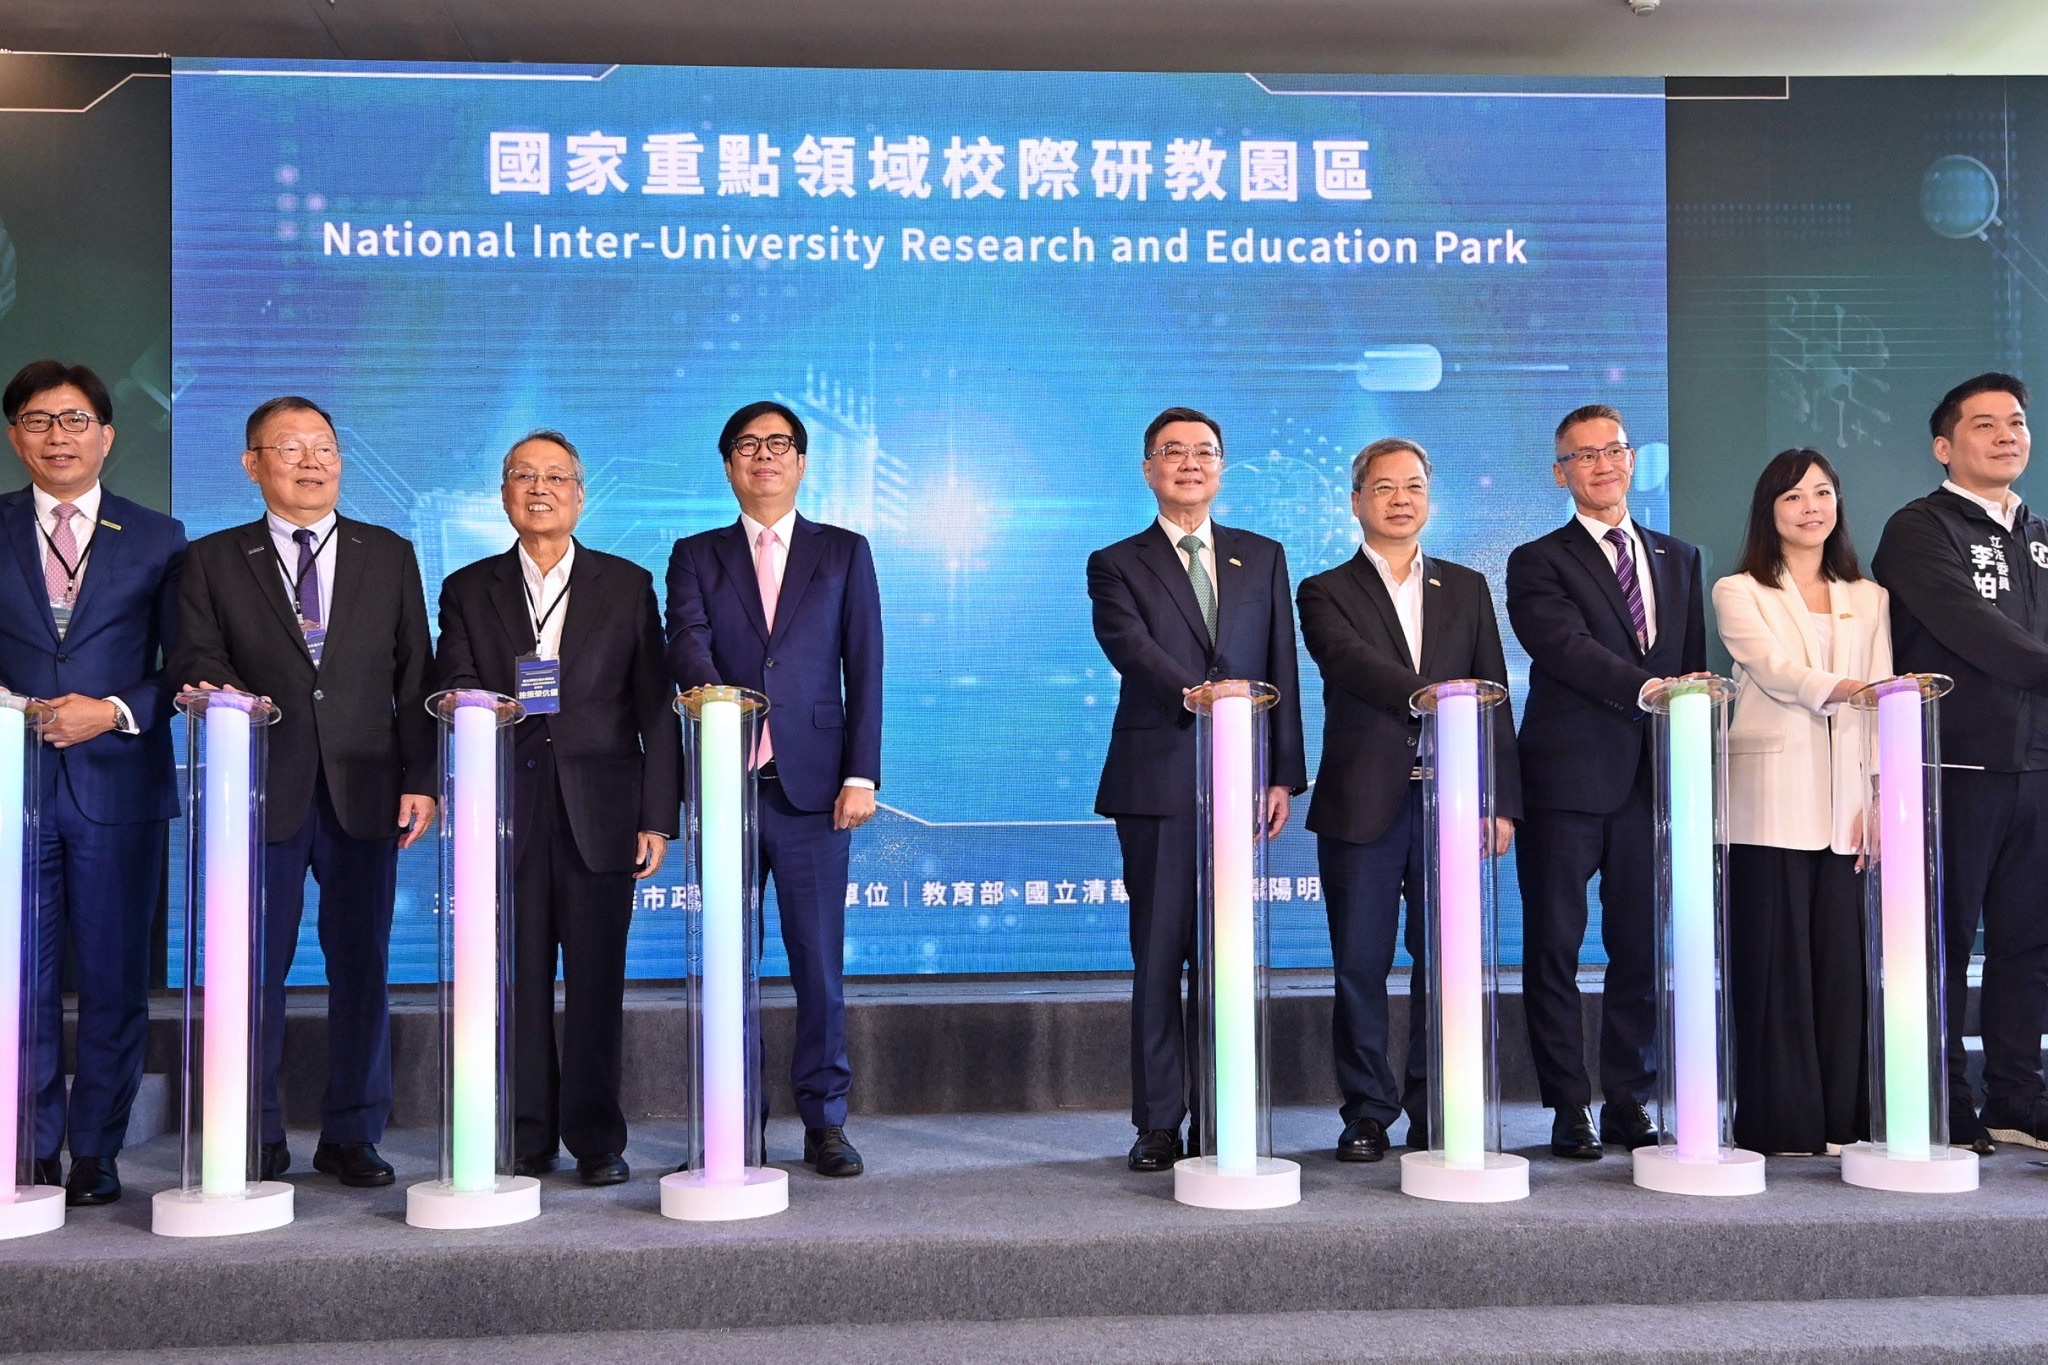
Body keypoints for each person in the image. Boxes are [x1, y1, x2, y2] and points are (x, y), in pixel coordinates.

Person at [168, 396, 435, 1187]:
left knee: (363, 964)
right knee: (252, 967)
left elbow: (415, 675)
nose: (312, 461)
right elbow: (193, 657)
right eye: (290, 447)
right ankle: (252, 1129)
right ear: (252, 463)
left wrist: (422, 778)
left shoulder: (389, 553)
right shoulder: (212, 558)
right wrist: (226, 695)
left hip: (366, 788)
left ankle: (354, 1132)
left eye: (324, 445)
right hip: (259, 790)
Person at [432, 430, 678, 1186]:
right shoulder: (468, 587)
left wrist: (657, 815)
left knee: (598, 982)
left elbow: (654, 706)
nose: (539, 489)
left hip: (603, 812)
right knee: (519, 982)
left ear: (579, 494)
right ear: (504, 493)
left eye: (556, 477)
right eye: (523, 476)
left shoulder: (626, 584)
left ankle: (598, 1139)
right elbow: (451, 683)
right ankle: (529, 1134)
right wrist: (467, 704)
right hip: (507, 810)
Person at [665, 400, 882, 1178]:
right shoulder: (695, 554)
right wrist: (717, 697)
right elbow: (685, 640)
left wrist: (861, 773)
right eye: (749, 445)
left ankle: (825, 1121)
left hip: (815, 790)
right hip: (727, 785)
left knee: (818, 964)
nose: (765, 455)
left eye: (779, 444)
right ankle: (735, 1121)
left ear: (801, 462)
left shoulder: (844, 551)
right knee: (728, 964)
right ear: (729, 464)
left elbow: (866, 664)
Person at [1087, 405, 1307, 1172]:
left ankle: (1223, 1114)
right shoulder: (1116, 561)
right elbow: (1128, 644)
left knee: (1226, 958)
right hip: (1157, 781)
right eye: (1173, 451)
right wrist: (1197, 693)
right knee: (1159, 955)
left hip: (1242, 785)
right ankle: (1158, 1122)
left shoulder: (1262, 556)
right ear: (1148, 467)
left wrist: (1283, 773)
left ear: (1221, 466)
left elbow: (1281, 663)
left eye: (1204, 451)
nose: (1190, 463)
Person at [1297, 437, 1519, 1162]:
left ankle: (1437, 1108)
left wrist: (1499, 799)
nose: (1401, 499)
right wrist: (1434, 694)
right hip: (1362, 804)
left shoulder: (1466, 586)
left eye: (1414, 486)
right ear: (1356, 500)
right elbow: (1349, 662)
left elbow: (1493, 696)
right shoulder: (1324, 589)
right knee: (1359, 965)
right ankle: (1367, 1111)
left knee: (1445, 962)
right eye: (1385, 487)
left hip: (1450, 805)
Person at [1, 361, 185, 1207]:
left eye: (75, 420)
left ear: (106, 436)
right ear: (16, 437)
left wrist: (109, 711)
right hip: (14, 785)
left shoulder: (158, 535)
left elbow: (183, 664)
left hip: (119, 786)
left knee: (114, 979)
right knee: (22, 980)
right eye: (39, 421)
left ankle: (97, 1150)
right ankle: (29, 1142)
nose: (58, 436)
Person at [1506, 403, 1706, 1160]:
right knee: (1554, 947)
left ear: (1631, 459)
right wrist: (1647, 689)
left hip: (1650, 783)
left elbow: (1691, 667)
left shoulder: (1680, 557)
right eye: (1583, 455)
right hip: (1565, 780)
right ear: (1561, 473)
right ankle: (1568, 1105)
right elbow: (1562, 646)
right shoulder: (1537, 560)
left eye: (1613, 450)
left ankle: (1628, 1098)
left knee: (1640, 949)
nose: (1602, 464)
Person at [1872, 372, 2047, 1155]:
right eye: (1985, 424)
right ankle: (1942, 1098)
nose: (2007, 435)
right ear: (1945, 446)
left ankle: (2018, 1096)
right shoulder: (1920, 529)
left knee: (2028, 944)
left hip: (2038, 770)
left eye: (2016, 422)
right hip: (1952, 772)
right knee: (1939, 943)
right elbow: (1974, 630)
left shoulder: (2040, 534)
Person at [1714, 449, 1887, 1156]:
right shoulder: (1738, 589)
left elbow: (1885, 699)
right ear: (1770, 510)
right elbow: (1773, 669)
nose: (1810, 507)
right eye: (1793, 496)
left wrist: (1880, 795)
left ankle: (1841, 1122)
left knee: (1843, 972)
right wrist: (1842, 689)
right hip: (1769, 803)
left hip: (1848, 806)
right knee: (1773, 970)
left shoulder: (1870, 596)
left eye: (1822, 493)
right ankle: (1780, 1124)